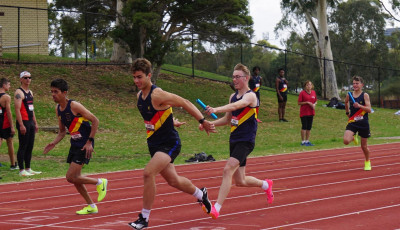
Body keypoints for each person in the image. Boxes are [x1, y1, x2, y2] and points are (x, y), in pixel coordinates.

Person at [128, 58, 216, 230]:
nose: (137, 81)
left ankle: (144, 218)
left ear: (149, 76)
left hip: (170, 143)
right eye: (134, 77)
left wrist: (203, 121)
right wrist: (169, 120)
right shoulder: (140, 96)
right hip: (154, 144)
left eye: (140, 77)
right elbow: (153, 116)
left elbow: (185, 102)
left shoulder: (157, 94)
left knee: (148, 173)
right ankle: (201, 194)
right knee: (174, 181)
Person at [203, 63, 274, 220]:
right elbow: (228, 119)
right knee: (240, 181)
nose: (234, 79)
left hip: (246, 140)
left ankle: (216, 208)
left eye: (237, 77)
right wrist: (209, 123)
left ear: (246, 78)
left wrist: (215, 109)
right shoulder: (232, 96)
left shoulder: (250, 96)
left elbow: (238, 105)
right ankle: (265, 185)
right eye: (233, 76)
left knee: (227, 170)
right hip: (234, 139)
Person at [43, 79, 108, 214]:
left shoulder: (74, 105)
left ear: (64, 93)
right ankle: (91, 206)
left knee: (70, 177)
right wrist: (53, 143)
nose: (53, 94)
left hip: (85, 144)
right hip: (74, 143)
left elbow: (95, 120)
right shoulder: (58, 109)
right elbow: (62, 131)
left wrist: (90, 141)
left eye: (56, 92)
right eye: (51, 92)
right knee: (76, 179)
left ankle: (100, 182)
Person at [343, 76, 372, 171]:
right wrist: (347, 112)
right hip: (353, 122)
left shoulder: (365, 95)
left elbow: (369, 110)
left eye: (357, 83)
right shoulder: (349, 95)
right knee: (346, 141)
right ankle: (353, 136)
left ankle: (367, 161)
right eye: (354, 83)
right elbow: (346, 102)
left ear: (361, 85)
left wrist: (359, 106)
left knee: (364, 146)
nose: (355, 85)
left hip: (363, 123)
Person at [14, 71, 40, 176]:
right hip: (23, 122)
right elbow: (17, 109)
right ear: (21, 79)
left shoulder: (30, 92)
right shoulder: (18, 93)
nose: (28, 79)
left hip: (30, 122)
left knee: (30, 146)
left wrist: (35, 122)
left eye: (29, 77)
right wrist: (21, 125)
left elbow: (31, 108)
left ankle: (28, 168)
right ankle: (21, 170)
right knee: (23, 146)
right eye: (25, 78)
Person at [0, 78, 17, 170]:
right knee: (9, 141)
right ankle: (13, 164)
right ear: (4, 85)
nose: (10, 86)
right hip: (4, 122)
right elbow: (9, 112)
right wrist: (12, 126)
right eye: (9, 85)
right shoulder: (6, 97)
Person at [298, 80, 317, 146]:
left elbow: (315, 101)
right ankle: (303, 141)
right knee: (304, 126)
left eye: (310, 85)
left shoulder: (313, 92)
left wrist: (314, 104)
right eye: (307, 85)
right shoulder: (302, 93)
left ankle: (307, 140)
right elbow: (299, 102)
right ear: (305, 86)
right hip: (304, 112)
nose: (309, 86)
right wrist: (307, 102)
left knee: (309, 127)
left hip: (311, 112)